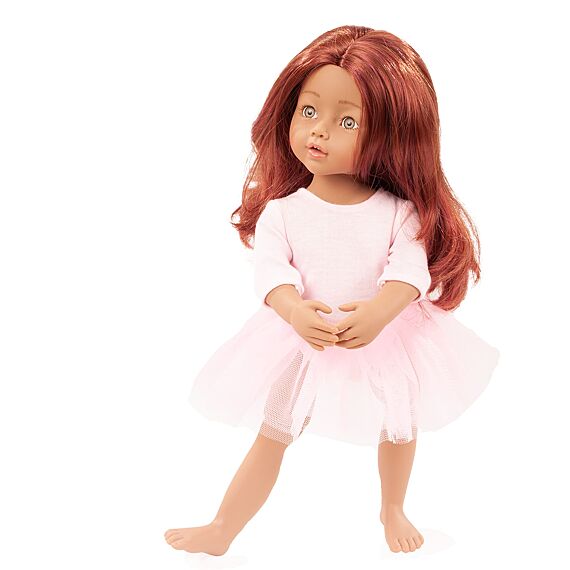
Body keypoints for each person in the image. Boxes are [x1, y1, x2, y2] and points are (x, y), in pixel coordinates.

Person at [164, 25, 500, 556]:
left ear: (393, 135)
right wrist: (294, 311)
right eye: (309, 110)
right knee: (273, 433)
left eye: (348, 121)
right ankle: (223, 527)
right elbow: (271, 274)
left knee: (398, 425)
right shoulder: (283, 211)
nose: (319, 131)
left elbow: (409, 271)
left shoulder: (398, 211)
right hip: (304, 338)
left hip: (385, 338)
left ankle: (393, 508)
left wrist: (381, 311)